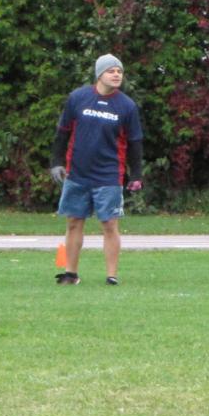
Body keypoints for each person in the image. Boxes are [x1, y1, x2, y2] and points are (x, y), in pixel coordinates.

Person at [50, 54, 144, 285]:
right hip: (77, 173)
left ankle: (111, 276)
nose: (116, 75)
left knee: (109, 224)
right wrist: (56, 162)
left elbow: (135, 142)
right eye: (111, 71)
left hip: (109, 175)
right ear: (100, 74)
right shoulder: (78, 98)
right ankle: (70, 273)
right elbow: (63, 132)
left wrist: (136, 174)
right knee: (74, 222)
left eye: (119, 71)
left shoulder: (127, 106)